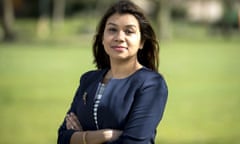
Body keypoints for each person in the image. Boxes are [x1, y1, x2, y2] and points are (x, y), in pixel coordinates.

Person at [57, 0, 168, 144]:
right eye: (112, 30)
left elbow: (134, 142)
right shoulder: (88, 80)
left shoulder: (151, 84)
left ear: (141, 42)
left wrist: (80, 138)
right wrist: (104, 136)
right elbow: (62, 137)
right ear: (102, 38)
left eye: (129, 31)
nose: (119, 38)